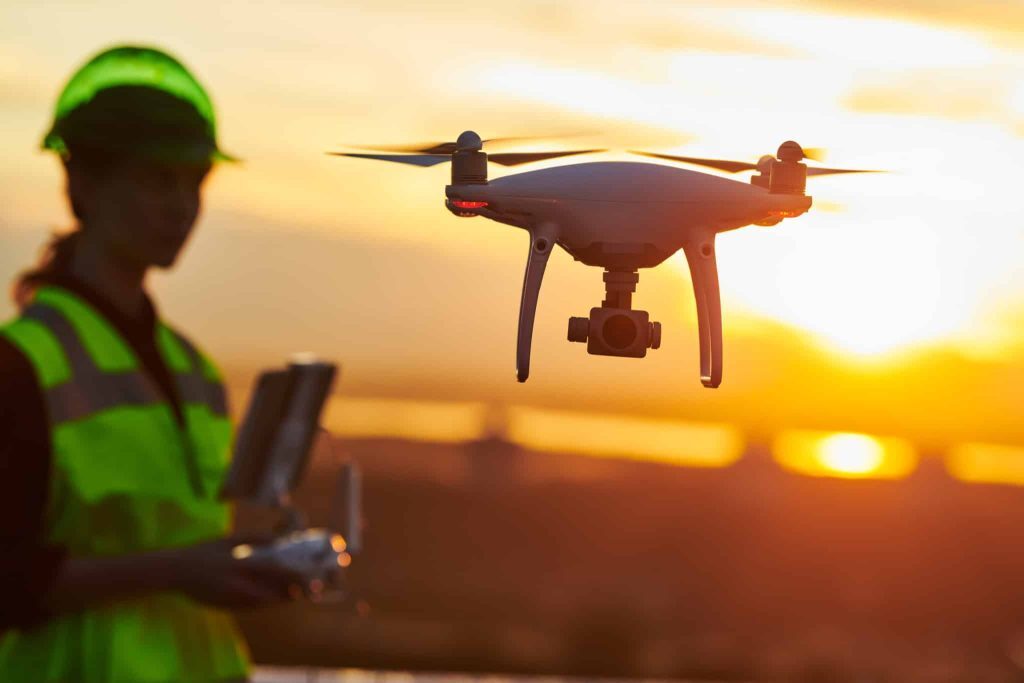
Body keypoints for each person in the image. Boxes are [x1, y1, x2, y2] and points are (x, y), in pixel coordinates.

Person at [0, 45, 304, 682]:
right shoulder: (20, 364)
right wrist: (180, 570)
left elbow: (188, 541)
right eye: (156, 179)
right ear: (81, 182)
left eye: (194, 182)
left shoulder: (195, 371)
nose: (182, 205)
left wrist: (258, 562)